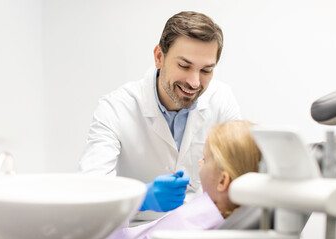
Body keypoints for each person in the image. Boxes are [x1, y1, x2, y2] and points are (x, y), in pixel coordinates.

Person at [79, 11, 241, 216]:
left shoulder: (222, 100)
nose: (194, 82)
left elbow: (240, 173)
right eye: (184, 65)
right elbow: (88, 193)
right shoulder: (115, 108)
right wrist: (141, 199)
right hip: (139, 228)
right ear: (159, 57)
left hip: (200, 228)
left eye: (206, 70)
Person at [105, 120, 262, 239]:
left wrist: (140, 201)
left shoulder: (191, 229)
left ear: (222, 182)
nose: (200, 162)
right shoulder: (221, 213)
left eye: (205, 159)